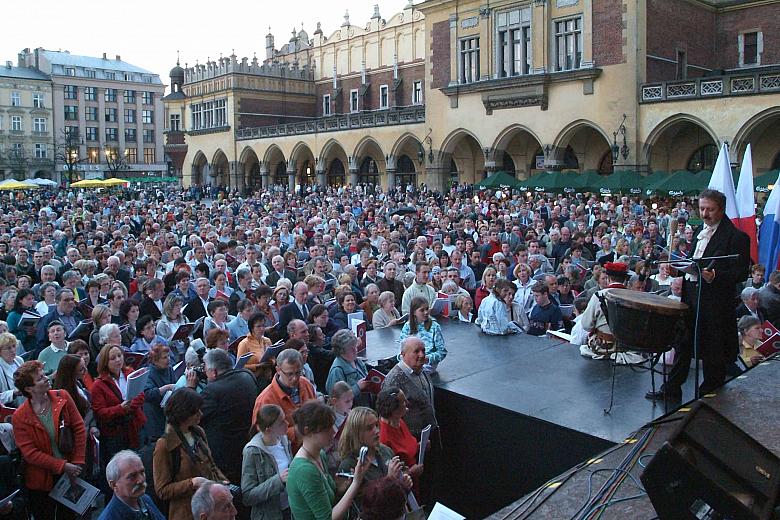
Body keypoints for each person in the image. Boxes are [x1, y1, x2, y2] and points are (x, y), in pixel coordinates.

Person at [647, 189, 751, 401]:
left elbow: (741, 272)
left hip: (715, 303)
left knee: (714, 349)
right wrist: (679, 271)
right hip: (692, 296)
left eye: (710, 209)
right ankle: (672, 387)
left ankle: (709, 394)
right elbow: (695, 262)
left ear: (721, 210)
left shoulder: (737, 237)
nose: (704, 214)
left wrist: (715, 275)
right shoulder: (698, 232)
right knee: (683, 343)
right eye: (702, 208)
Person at [12, 360, 86, 520]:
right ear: (28, 389)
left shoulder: (63, 397)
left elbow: (79, 429)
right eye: (40, 378)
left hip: (71, 472)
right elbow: (30, 454)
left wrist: (78, 462)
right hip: (41, 482)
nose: (46, 378)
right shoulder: (19, 416)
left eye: (44, 375)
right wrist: (62, 466)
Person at [286, 401, 368, 520]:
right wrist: (356, 483)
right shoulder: (304, 470)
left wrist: (342, 488)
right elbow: (327, 518)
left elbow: (329, 498)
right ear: (308, 430)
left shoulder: (320, 455)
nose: (333, 432)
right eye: (326, 429)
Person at [154, 388, 227, 520]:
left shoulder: (198, 432)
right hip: (185, 513)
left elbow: (211, 465)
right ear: (183, 414)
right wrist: (191, 483)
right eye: (195, 411)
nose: (200, 414)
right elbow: (162, 491)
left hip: (210, 509)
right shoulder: (164, 445)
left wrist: (223, 482)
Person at [200, 348, 259, 484]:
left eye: (206, 370)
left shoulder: (212, 391)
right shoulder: (247, 375)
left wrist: (190, 388)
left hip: (226, 455)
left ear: (214, 372)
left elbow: (194, 414)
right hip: (250, 441)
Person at [91, 344, 146, 486]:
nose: (117, 360)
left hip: (135, 426)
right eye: (112, 358)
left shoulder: (130, 373)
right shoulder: (98, 385)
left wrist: (128, 407)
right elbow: (100, 412)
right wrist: (120, 409)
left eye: (119, 356)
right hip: (116, 433)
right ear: (105, 362)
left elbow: (140, 395)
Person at [337, 407, 412, 506]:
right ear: (356, 433)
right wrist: (389, 480)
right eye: (369, 428)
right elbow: (364, 504)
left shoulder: (386, 451)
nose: (376, 431)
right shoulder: (349, 465)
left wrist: (403, 483)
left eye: (376, 425)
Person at [252, 349, 317, 449]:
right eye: (290, 374)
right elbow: (262, 438)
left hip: (312, 447)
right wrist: (295, 432)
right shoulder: (265, 400)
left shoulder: (306, 384)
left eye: (298, 372)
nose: (295, 378)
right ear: (278, 370)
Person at [241, 403, 292, 520]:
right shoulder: (252, 451)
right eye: (281, 423)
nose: (287, 424)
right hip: (270, 515)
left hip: (290, 509)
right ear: (269, 430)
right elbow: (248, 496)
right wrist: (278, 480)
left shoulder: (283, 440)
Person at [381, 337, 437, 437]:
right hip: (411, 440)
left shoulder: (422, 370)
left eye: (423, 350)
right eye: (416, 351)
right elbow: (387, 419)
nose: (422, 355)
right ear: (403, 354)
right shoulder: (393, 380)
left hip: (429, 434)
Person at [376, 388, 424, 489]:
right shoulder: (384, 438)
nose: (407, 402)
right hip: (402, 488)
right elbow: (387, 476)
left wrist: (420, 446)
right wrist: (410, 473)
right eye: (403, 401)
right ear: (394, 410)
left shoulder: (399, 421)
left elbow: (407, 447)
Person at [579, 262, 629, 355]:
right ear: (625, 279)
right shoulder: (634, 297)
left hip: (605, 348)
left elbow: (586, 325)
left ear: (608, 278)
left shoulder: (598, 296)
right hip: (627, 348)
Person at [99, 450, 166, 520]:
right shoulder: (110, 517)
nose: (141, 480)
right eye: (132, 476)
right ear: (114, 485)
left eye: (142, 472)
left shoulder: (145, 499)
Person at [398, 296, 447, 372]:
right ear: (414, 312)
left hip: (427, 364)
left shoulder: (434, 327)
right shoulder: (407, 326)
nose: (426, 312)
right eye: (422, 310)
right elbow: (400, 350)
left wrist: (427, 358)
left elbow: (442, 352)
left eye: (427, 309)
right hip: (410, 362)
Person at [325, 329, 371, 407]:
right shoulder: (337, 370)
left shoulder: (357, 361)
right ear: (341, 351)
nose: (355, 350)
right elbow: (336, 399)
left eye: (355, 347)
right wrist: (357, 387)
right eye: (351, 349)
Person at [143, 344, 178, 444]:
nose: (168, 360)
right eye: (164, 357)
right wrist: (166, 388)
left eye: (168, 356)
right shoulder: (149, 373)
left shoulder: (169, 369)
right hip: (154, 414)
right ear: (155, 360)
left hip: (167, 411)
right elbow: (148, 394)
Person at [236, 312, 275, 383]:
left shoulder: (267, 340)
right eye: (258, 326)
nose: (262, 329)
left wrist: (271, 362)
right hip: (253, 379)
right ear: (252, 328)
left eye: (263, 326)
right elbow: (239, 366)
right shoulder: (244, 343)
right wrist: (257, 366)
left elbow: (273, 358)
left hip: (268, 377)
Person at [7, 288, 37, 353]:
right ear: (20, 300)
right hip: (22, 348)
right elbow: (10, 335)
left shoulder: (35, 312)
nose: (31, 301)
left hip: (35, 344)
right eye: (28, 299)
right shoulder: (13, 315)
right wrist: (25, 333)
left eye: (32, 298)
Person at [0, 332, 23, 407]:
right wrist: (13, 393)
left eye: (14, 346)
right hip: (9, 410)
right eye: (8, 348)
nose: (13, 350)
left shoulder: (19, 360)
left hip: (24, 405)